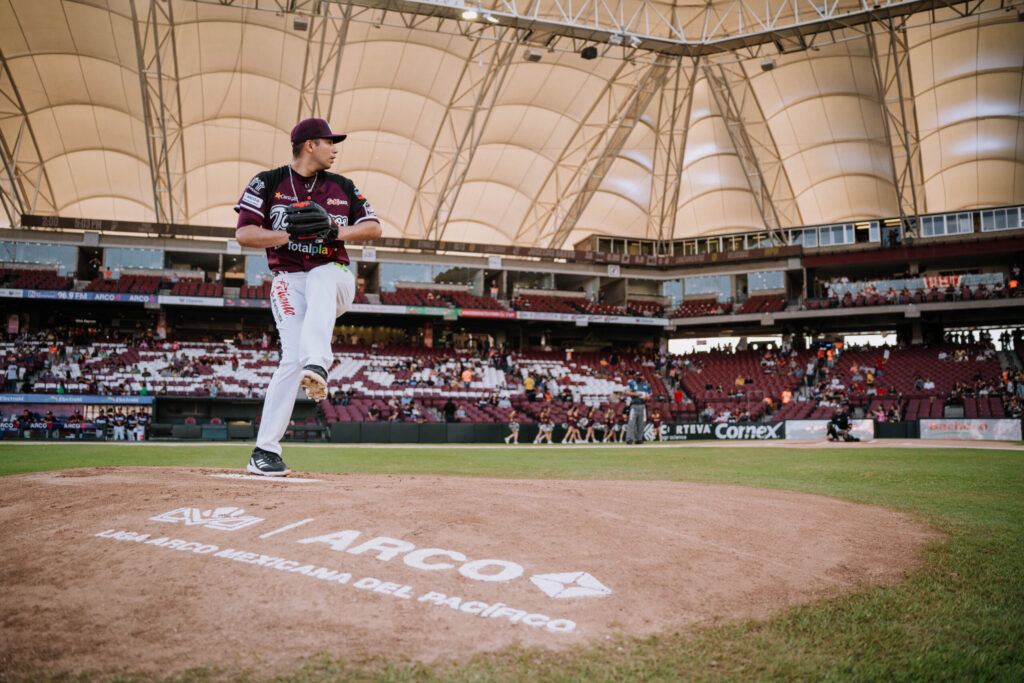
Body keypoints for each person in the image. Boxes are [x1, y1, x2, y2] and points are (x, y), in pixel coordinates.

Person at [235, 118, 381, 476]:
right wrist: (284, 235)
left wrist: (334, 230)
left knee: (322, 272)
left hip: (335, 278)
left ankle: (318, 362)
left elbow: (374, 227)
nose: (335, 148)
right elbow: (244, 233)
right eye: (330, 142)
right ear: (310, 144)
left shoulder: (342, 185)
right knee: (290, 363)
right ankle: (264, 452)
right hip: (289, 280)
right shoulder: (268, 181)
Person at [624, 370, 651, 444]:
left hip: (642, 405)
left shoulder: (646, 385)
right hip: (634, 405)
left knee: (641, 423)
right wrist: (637, 395)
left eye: (640, 376)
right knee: (631, 422)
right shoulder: (632, 383)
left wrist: (646, 398)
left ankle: (638, 439)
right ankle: (629, 439)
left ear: (643, 376)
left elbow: (649, 396)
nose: (639, 377)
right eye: (637, 376)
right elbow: (626, 392)